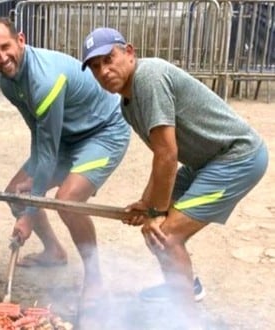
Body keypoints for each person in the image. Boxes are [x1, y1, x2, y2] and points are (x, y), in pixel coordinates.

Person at [82, 27, 268, 325]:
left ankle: (186, 320)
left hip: (237, 157)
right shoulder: (127, 105)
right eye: (95, 67)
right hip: (205, 163)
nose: (103, 71)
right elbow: (162, 157)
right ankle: (182, 285)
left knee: (165, 234)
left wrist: (157, 211)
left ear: (129, 52)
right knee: (153, 231)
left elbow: (168, 155)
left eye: (109, 59)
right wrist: (146, 204)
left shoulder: (149, 77)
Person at [0, 17, 131, 306]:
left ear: (20, 40)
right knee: (16, 194)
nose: (2, 57)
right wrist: (29, 194)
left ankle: (95, 278)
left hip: (103, 131)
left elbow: (47, 153)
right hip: (64, 137)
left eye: (6, 47)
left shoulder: (44, 79)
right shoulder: (9, 84)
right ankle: (54, 251)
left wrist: (29, 215)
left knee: (67, 200)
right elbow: (39, 136)